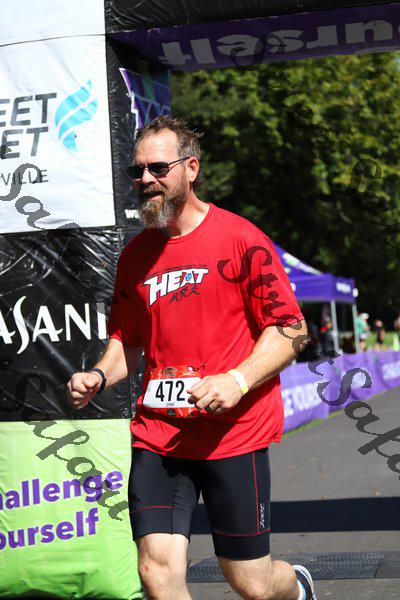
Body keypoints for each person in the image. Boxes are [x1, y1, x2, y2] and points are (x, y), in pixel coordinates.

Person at [67, 116, 316, 600]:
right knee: (156, 571)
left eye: (158, 168)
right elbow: (128, 341)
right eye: (137, 171)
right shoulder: (136, 255)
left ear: (192, 168)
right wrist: (99, 374)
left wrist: (237, 380)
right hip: (160, 436)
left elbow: (291, 329)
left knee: (253, 584)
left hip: (232, 436)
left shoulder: (240, 238)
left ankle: (297, 586)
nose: (146, 180)